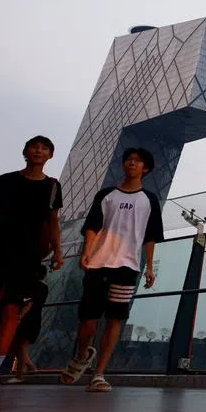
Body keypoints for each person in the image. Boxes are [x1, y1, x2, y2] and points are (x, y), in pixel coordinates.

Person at [0, 135, 64, 392]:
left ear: (50, 155)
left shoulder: (52, 186)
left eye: (44, 148)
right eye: (34, 147)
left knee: (11, 313)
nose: (38, 151)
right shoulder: (5, 180)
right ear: (25, 152)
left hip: (27, 258)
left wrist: (59, 252)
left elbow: (53, 222)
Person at [60, 147, 163, 393]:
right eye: (129, 159)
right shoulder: (107, 195)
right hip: (98, 263)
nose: (132, 163)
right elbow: (93, 226)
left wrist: (149, 267)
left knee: (115, 318)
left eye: (138, 161)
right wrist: (87, 251)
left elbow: (151, 236)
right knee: (88, 319)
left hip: (127, 266)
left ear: (145, 169)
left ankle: (99, 373)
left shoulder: (149, 200)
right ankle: (83, 354)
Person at [0, 264, 48, 383]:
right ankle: (30, 368)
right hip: (34, 318)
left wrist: (20, 315)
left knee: (19, 345)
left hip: (27, 318)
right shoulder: (44, 287)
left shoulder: (35, 286)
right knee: (18, 345)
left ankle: (20, 375)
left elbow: (29, 303)